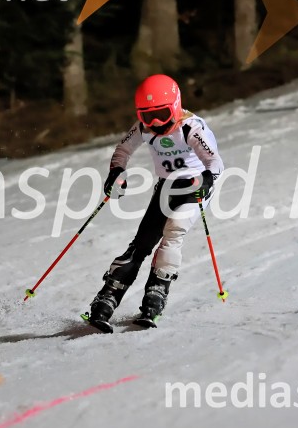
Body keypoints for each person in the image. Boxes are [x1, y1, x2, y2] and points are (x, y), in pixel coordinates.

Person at [86, 74, 224, 332]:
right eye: (148, 116)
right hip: (166, 187)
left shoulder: (191, 128)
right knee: (142, 243)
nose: (156, 123)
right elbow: (122, 151)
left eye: (161, 113)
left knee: (174, 231)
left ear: (175, 105)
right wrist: (117, 171)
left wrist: (206, 181)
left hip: (195, 187)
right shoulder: (143, 128)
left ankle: (157, 291)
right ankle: (108, 295)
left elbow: (215, 164)